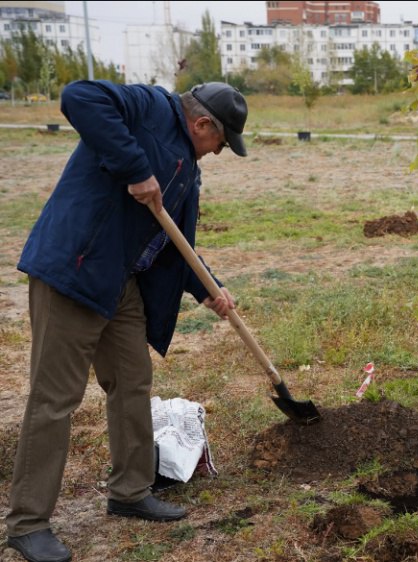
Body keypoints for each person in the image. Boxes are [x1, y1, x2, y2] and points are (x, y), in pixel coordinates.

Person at [5, 80, 248, 562]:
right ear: (202, 124)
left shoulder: (187, 170)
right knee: (56, 398)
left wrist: (208, 288)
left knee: (133, 381)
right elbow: (79, 97)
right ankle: (28, 523)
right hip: (75, 269)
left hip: (121, 283)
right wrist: (135, 168)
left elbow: (174, 243)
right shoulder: (149, 108)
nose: (217, 154)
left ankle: (130, 491)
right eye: (220, 144)